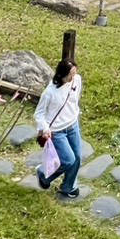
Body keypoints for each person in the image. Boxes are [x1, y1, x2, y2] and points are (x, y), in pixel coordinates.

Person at [34, 59, 83, 199]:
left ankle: (68, 187)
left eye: (75, 73)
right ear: (61, 75)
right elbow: (39, 113)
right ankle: (44, 174)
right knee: (68, 160)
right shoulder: (49, 93)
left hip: (73, 125)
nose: (74, 77)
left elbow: (74, 99)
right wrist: (44, 128)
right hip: (57, 131)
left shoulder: (77, 80)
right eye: (71, 74)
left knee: (78, 157)